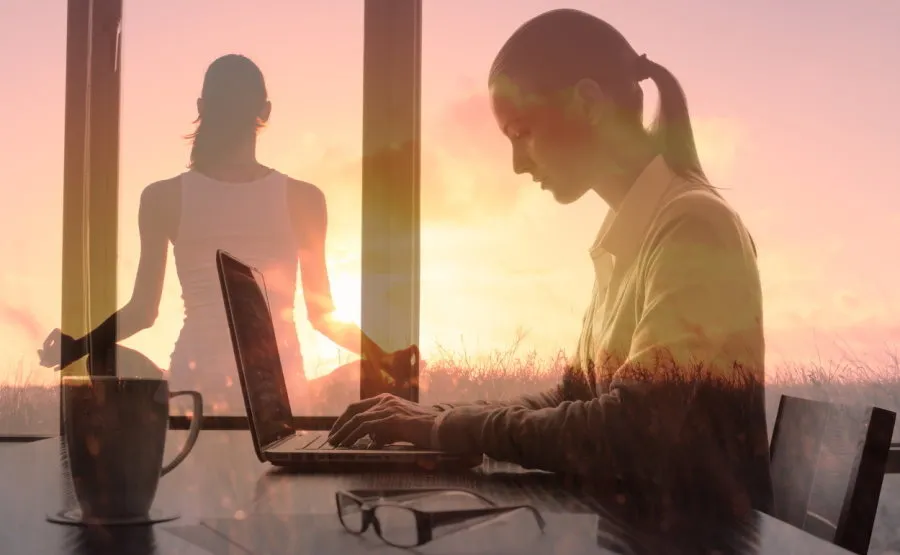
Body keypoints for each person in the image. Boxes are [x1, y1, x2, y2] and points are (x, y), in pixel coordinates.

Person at [328, 9, 774, 518]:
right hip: (644, 525)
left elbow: (633, 429)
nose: (518, 163)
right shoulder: (632, 231)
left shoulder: (694, 225)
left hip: (695, 538)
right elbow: (574, 395)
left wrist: (447, 429)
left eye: (521, 132)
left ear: (587, 103)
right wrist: (442, 417)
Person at [38, 53, 397, 415]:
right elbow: (323, 315)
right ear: (265, 111)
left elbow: (143, 312)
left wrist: (78, 347)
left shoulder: (162, 197)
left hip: (193, 390)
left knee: (105, 361)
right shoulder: (305, 198)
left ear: (201, 106)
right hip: (279, 392)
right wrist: (386, 359)